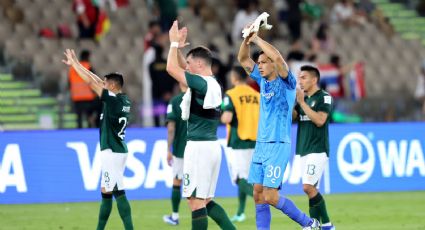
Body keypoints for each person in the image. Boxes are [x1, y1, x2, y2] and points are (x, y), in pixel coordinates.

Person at [237, 29, 320, 230]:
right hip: (261, 145)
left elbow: (279, 58)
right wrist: (247, 40)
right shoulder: (262, 80)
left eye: (264, 62)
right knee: (257, 193)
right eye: (259, 63)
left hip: (278, 145)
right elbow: (242, 58)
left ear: (274, 64)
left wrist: (257, 39)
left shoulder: (288, 82)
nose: (260, 65)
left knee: (270, 196)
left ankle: (309, 224)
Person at [166, 20, 236, 230]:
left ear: (198, 65)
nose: (186, 67)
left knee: (195, 202)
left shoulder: (202, 83)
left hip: (198, 148)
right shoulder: (213, 83)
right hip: (212, 146)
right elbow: (182, 68)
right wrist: (179, 48)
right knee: (204, 200)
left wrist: (171, 44)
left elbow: (171, 67)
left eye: (189, 64)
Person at [62, 49, 134, 230]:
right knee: (106, 191)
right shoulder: (122, 100)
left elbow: (90, 82)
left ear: (113, 86)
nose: (102, 84)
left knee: (118, 192)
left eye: (106, 83)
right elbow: (95, 80)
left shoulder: (114, 100)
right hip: (117, 149)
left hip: (112, 151)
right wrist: (78, 65)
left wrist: (76, 65)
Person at [293, 65, 335, 230]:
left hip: (317, 149)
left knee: (308, 187)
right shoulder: (303, 99)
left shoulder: (324, 97)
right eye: (299, 78)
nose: (300, 81)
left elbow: (320, 120)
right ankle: (318, 225)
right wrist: (290, 102)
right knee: (311, 190)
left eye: (303, 77)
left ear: (314, 79)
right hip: (303, 149)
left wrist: (302, 103)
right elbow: (293, 117)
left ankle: (325, 225)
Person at [221, 66, 260, 222]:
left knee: (238, 178)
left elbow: (227, 118)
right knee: (246, 177)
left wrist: (220, 115)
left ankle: (261, 198)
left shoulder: (231, 94)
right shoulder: (256, 95)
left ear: (234, 77)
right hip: (255, 140)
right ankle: (240, 212)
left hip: (238, 140)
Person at [162, 83, 188, 225]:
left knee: (177, 181)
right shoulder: (200, 98)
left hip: (181, 148)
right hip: (199, 147)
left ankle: (175, 215)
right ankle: (202, 214)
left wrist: (168, 149)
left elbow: (171, 127)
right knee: (198, 184)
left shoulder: (175, 101)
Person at [68, 49, 101, 128]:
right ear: (87, 57)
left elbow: (69, 82)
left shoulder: (72, 68)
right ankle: (89, 133)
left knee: (79, 117)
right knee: (88, 117)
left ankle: (79, 133)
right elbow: (94, 81)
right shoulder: (88, 67)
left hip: (76, 97)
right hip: (87, 96)